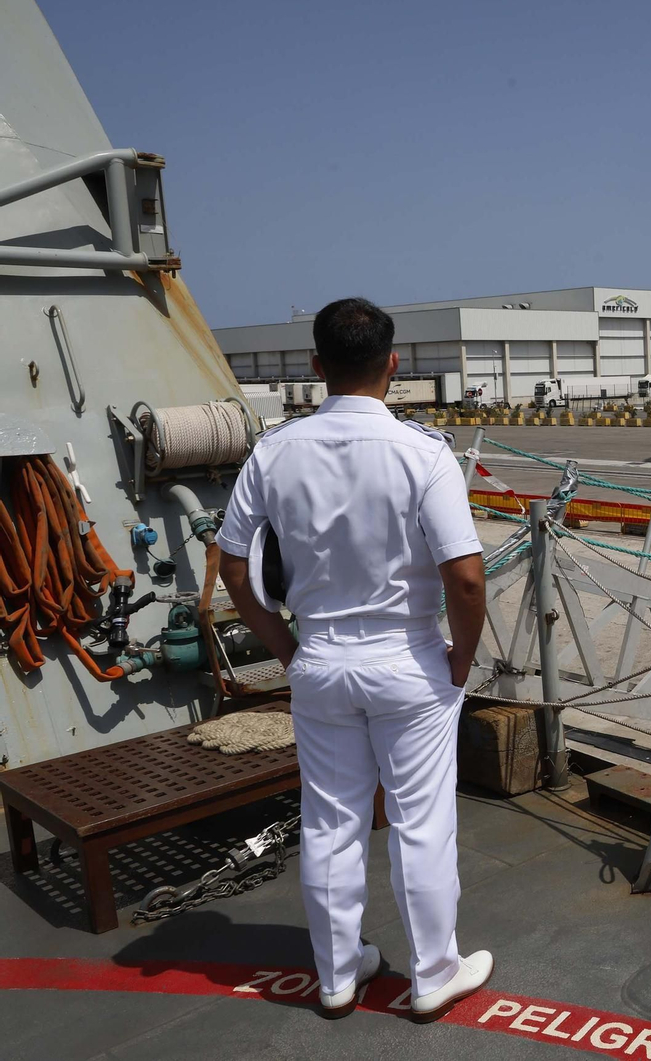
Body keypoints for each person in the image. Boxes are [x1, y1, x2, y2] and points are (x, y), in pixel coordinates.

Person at [217, 297, 491, 1022]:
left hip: (320, 658)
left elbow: (234, 564)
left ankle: (338, 974)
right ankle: (434, 972)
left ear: (315, 367)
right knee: (421, 822)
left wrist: (280, 643)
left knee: (329, 820)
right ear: (393, 365)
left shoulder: (274, 451)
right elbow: (464, 576)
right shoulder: (423, 452)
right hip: (407, 656)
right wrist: (462, 658)